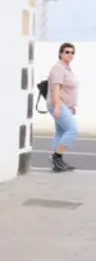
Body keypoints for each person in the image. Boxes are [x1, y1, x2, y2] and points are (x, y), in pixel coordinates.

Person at [47, 42, 79, 172]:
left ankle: (57, 163)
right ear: (60, 53)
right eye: (67, 52)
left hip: (65, 106)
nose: (70, 54)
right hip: (59, 104)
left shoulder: (66, 68)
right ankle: (56, 157)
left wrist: (72, 106)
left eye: (72, 52)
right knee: (72, 129)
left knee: (60, 132)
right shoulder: (58, 68)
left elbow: (67, 90)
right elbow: (56, 88)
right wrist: (57, 106)